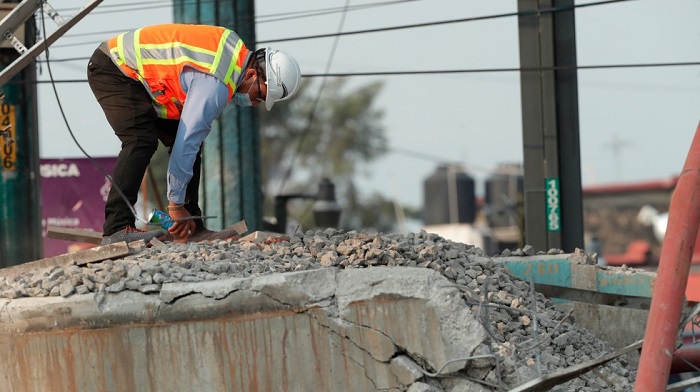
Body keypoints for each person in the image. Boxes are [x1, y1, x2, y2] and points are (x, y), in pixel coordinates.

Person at [87, 23, 301, 245]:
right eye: (260, 94)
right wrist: (175, 205)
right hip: (115, 68)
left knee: (189, 143)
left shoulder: (234, 48)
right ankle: (116, 228)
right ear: (251, 73)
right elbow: (185, 145)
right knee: (141, 141)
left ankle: (194, 228)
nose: (255, 103)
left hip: (146, 81)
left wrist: (180, 207)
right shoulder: (215, 85)